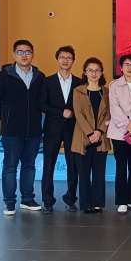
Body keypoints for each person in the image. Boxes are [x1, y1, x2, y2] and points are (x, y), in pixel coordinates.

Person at [0, 39, 46, 216]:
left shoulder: (39, 76)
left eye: (28, 52)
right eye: (20, 52)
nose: (24, 55)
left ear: (33, 54)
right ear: (14, 55)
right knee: (10, 166)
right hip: (12, 131)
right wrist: (6, 119)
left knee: (29, 166)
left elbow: (42, 102)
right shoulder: (3, 76)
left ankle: (27, 199)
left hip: (33, 130)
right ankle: (10, 202)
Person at [38, 45, 83, 214]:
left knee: (73, 166)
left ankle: (70, 199)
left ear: (73, 61)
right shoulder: (47, 81)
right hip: (52, 128)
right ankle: (47, 200)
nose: (65, 60)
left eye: (69, 58)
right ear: (57, 60)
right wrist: (60, 112)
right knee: (48, 165)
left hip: (73, 129)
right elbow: (41, 104)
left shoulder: (79, 82)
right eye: (62, 57)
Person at [107, 54, 131, 215]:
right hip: (119, 132)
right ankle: (122, 201)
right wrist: (128, 126)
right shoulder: (114, 85)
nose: (129, 67)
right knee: (121, 166)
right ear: (121, 68)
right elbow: (114, 108)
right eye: (126, 64)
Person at [71, 57, 110, 214]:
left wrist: (99, 131)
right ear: (85, 72)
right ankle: (86, 203)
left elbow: (109, 114)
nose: (94, 73)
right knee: (84, 173)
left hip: (101, 138)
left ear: (101, 72)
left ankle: (98, 203)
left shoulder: (107, 92)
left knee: (99, 173)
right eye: (90, 70)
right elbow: (78, 114)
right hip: (83, 138)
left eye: (97, 70)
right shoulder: (78, 90)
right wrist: (90, 133)